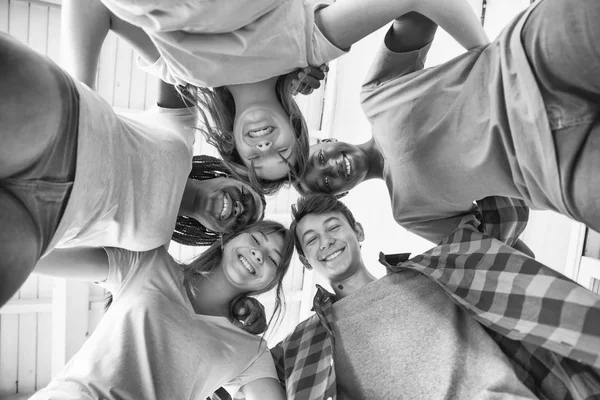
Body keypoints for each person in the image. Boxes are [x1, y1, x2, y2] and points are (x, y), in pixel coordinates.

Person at [95, 0, 489, 192]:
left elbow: (97, 7)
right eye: (281, 153)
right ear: (295, 127)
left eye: (257, 158)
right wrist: (487, 61)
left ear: (232, 143)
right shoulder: (310, 47)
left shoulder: (182, 71)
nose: (266, 145)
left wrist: (80, 91)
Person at [297, 1, 600, 243]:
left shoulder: (375, 94)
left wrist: (486, 55)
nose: (331, 168)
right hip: (556, 171)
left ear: (327, 141)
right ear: (341, 195)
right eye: (326, 182)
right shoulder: (410, 214)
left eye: (320, 158)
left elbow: (416, 11)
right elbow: (492, 258)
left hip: (533, 60)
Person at [0, 32, 264, 308]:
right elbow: (172, 42)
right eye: (246, 198)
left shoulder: (152, 251)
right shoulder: (182, 128)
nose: (238, 208)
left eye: (241, 221)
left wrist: (34, 252)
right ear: (229, 175)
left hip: (43, 220)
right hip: (61, 126)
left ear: (218, 235)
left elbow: (82, 267)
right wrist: (83, 89)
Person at [271, 194, 600, 399]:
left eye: (333, 227)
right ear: (304, 260)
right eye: (311, 239)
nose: (326, 242)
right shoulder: (302, 345)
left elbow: (505, 209)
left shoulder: (434, 269)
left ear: (358, 232)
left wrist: (391, 168)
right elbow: (232, 374)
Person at [30, 220, 294, 400]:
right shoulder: (148, 263)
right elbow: (35, 255)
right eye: (256, 239)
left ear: (271, 281)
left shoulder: (251, 351)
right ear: (227, 239)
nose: (259, 254)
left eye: (272, 259)